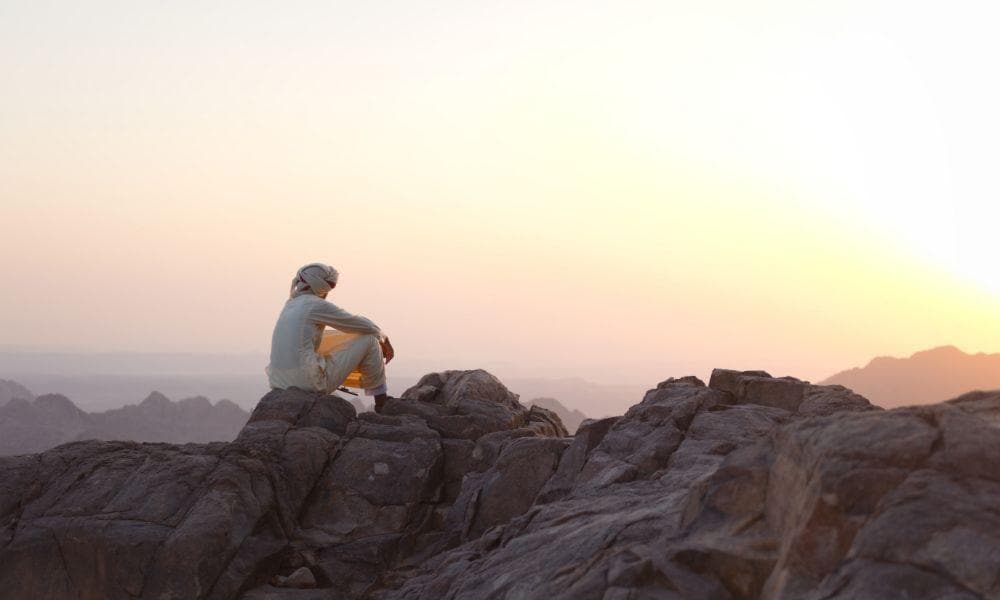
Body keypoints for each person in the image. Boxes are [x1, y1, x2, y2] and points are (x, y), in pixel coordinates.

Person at [266, 262, 395, 411]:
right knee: (371, 339)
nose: (329, 290)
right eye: (330, 285)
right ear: (320, 285)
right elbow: (358, 323)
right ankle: (382, 403)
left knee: (326, 337)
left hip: (279, 381)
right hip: (308, 382)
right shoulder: (314, 304)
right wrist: (383, 337)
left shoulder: (291, 304)